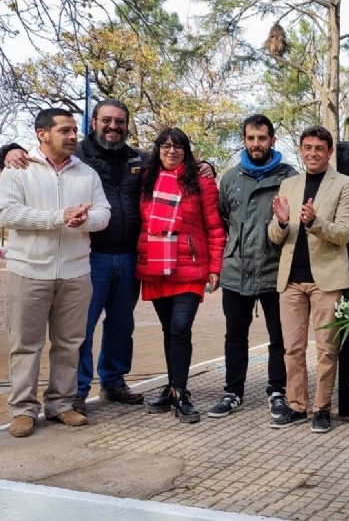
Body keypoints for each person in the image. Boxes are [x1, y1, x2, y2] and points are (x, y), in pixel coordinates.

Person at [3, 100, 215, 415]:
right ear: (94, 122)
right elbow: (42, 153)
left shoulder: (139, 159)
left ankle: (114, 382)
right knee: (82, 328)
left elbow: (172, 163)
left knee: (121, 324)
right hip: (91, 255)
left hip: (130, 256)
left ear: (127, 125)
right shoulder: (76, 155)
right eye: (107, 120)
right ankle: (77, 391)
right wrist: (8, 149)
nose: (113, 127)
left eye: (120, 121)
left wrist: (205, 164)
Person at [0, 108, 110, 437]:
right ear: (42, 134)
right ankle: (23, 408)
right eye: (64, 130)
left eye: (75, 130)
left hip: (76, 272)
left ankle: (61, 403)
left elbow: (103, 213)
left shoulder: (86, 174)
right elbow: (8, 213)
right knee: (25, 344)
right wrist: (60, 217)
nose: (73, 136)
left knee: (70, 342)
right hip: (28, 270)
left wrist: (84, 221)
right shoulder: (17, 169)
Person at [267, 125, 349, 433]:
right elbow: (274, 236)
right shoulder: (289, 184)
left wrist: (315, 222)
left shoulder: (345, 184)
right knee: (292, 348)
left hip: (326, 281)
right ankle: (296, 406)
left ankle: (321, 409)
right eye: (307, 147)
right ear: (301, 150)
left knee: (326, 349)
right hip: (291, 280)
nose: (313, 153)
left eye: (319, 148)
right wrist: (280, 221)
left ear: (329, 152)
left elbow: (344, 233)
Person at [208, 114, 297, 419]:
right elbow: (222, 220)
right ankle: (233, 391)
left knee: (280, 337)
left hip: (275, 269)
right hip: (236, 271)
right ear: (244, 141)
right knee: (235, 335)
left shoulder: (290, 177)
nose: (256, 144)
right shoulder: (231, 178)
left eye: (262, 138)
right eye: (250, 138)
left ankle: (277, 392)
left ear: (272, 140)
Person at [136, 128, 225, 423]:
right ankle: (173, 387)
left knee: (180, 327)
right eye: (166, 146)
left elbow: (214, 228)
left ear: (186, 151)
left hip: (189, 267)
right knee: (168, 331)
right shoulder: (145, 181)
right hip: (156, 266)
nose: (171, 151)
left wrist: (215, 268)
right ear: (157, 149)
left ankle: (180, 390)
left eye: (178, 147)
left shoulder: (201, 182)